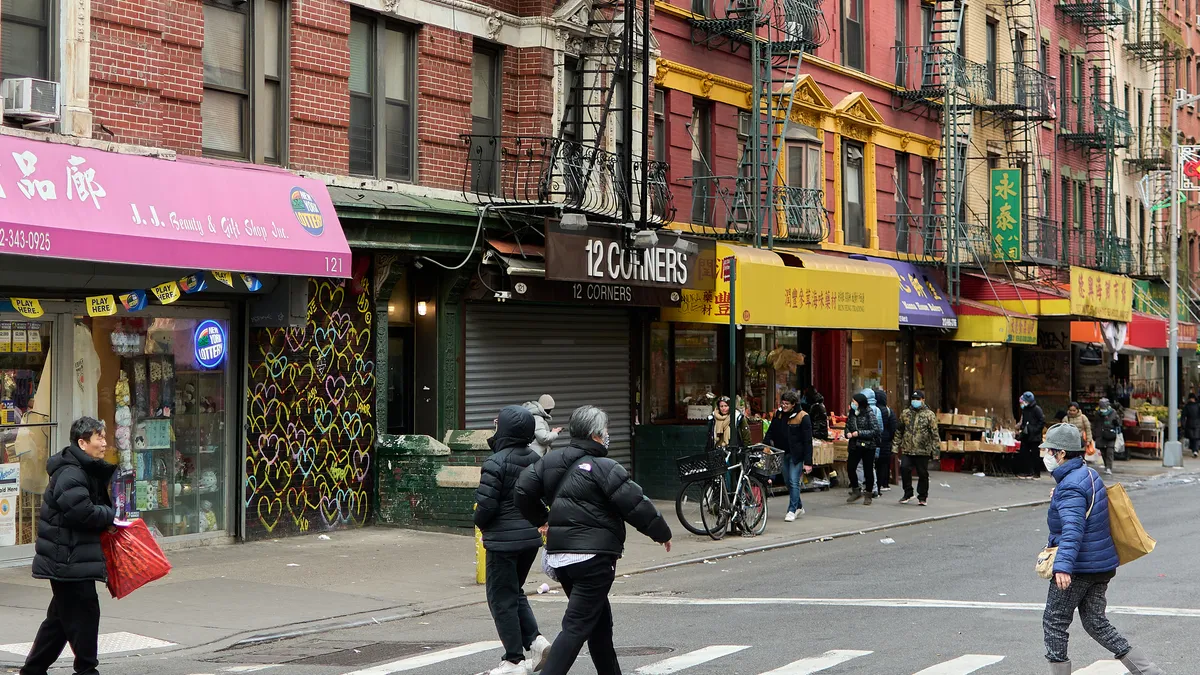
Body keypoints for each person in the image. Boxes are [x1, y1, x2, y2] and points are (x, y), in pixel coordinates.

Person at [515, 406, 672, 675]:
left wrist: (542, 519)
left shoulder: (551, 461)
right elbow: (635, 504)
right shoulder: (605, 467)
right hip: (593, 559)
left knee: (598, 624)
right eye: (606, 431)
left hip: (561, 557)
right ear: (596, 435)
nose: (608, 435)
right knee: (576, 626)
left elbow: (522, 490)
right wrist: (662, 533)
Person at [1039, 423, 1166, 675]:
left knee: (1054, 621)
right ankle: (1149, 672)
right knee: (1096, 622)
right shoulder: (1087, 475)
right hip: (1101, 565)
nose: (1045, 456)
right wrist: (1061, 494)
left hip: (1079, 566)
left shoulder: (1071, 487)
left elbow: (1073, 529)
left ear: (1062, 453)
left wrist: (1063, 567)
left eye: (1049, 451)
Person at [22, 417, 117, 675]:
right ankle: (87, 671)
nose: (104, 443)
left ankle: (32, 670)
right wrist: (110, 516)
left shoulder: (81, 469)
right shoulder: (71, 472)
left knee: (60, 622)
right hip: (67, 560)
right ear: (82, 442)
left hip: (70, 558)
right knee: (84, 616)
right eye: (99, 438)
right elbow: (82, 513)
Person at [474, 405, 552, 675]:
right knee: (514, 592)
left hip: (502, 541)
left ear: (505, 429)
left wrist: (481, 524)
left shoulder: (495, 462)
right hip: (529, 539)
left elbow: (486, 506)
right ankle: (537, 642)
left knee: (500, 598)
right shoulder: (536, 459)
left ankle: (514, 660)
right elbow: (540, 498)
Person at [763, 391, 813, 522]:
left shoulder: (803, 417)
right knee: (787, 481)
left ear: (793, 404)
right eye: (782, 403)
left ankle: (792, 510)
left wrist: (808, 462)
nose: (784, 406)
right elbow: (771, 430)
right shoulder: (778, 414)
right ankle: (799, 506)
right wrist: (765, 443)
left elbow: (808, 441)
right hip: (782, 452)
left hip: (796, 454)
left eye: (787, 404)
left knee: (793, 481)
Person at [895, 390, 939, 506]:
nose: (915, 401)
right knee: (904, 469)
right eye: (913, 399)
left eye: (918, 399)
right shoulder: (905, 413)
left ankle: (922, 496)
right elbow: (899, 430)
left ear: (923, 400)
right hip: (907, 448)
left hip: (923, 449)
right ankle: (908, 492)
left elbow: (935, 434)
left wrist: (936, 451)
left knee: (922, 473)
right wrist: (895, 446)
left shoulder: (929, 415)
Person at [845, 392, 879, 506]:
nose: (852, 404)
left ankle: (868, 494)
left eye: (854, 402)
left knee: (868, 470)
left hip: (868, 446)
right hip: (855, 445)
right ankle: (856, 490)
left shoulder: (869, 413)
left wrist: (858, 433)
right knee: (850, 467)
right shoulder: (852, 413)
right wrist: (848, 433)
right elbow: (848, 426)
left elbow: (875, 431)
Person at [1019, 392, 1046, 478]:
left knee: (1035, 455)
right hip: (1026, 435)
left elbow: (1042, 421)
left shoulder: (1037, 409)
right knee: (1024, 453)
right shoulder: (1025, 409)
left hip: (1034, 436)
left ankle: (1036, 473)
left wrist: (1034, 430)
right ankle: (1027, 471)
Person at [874, 388, 896, 494]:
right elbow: (893, 427)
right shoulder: (888, 411)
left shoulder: (872, 410)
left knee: (874, 463)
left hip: (874, 440)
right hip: (885, 441)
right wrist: (889, 438)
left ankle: (875, 484)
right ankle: (884, 483)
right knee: (884, 463)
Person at [1093, 398, 1121, 476]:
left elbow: (1118, 423)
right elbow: (1095, 424)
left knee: (1110, 451)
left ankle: (1109, 467)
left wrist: (1116, 422)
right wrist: (1094, 433)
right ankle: (1106, 465)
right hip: (1100, 435)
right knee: (1103, 452)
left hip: (1110, 434)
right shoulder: (1097, 413)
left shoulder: (1113, 412)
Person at [1182, 393, 1200, 458]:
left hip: (1189, 424)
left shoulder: (1186, 406)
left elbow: (1183, 416)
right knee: (1196, 438)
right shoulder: (1198, 405)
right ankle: (1195, 450)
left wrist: (1183, 425)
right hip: (1197, 423)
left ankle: (1194, 450)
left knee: (1192, 438)